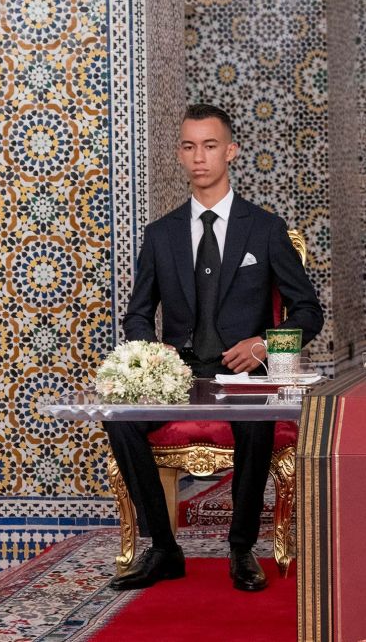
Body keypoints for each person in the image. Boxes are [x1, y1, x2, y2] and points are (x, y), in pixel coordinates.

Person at [105, 104, 323, 592]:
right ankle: (164, 548)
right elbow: (138, 313)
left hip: (244, 376)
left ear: (231, 152)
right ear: (179, 154)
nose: (199, 157)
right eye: (189, 147)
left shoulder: (264, 229)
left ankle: (241, 548)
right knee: (118, 418)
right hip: (178, 378)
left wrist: (263, 345)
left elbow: (308, 311)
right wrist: (151, 358)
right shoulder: (160, 235)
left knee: (257, 419)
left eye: (209, 146)